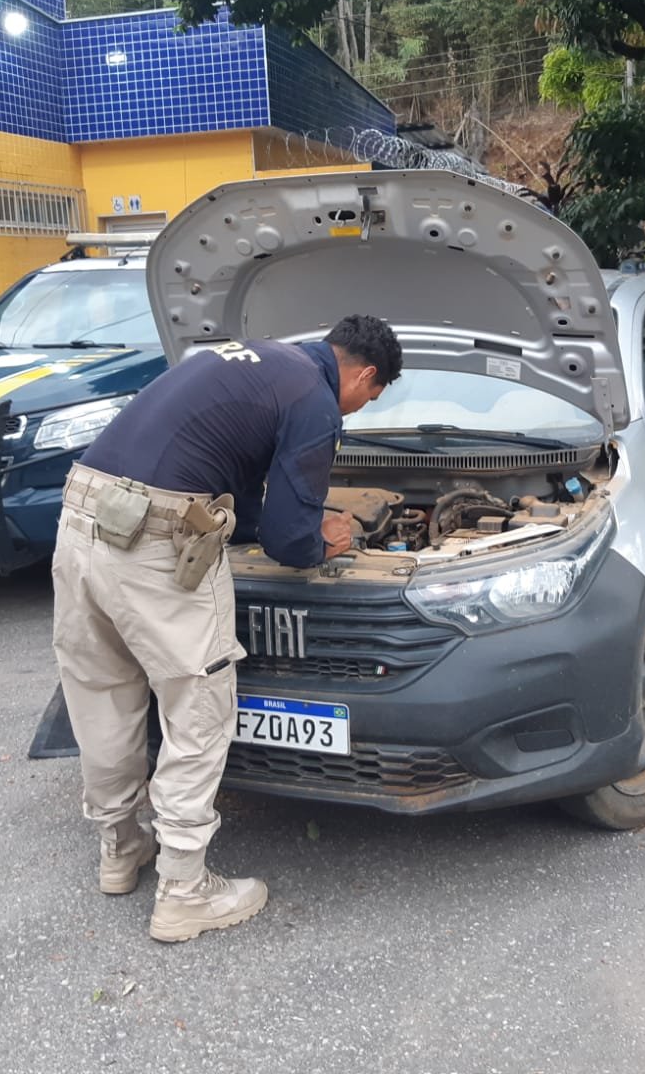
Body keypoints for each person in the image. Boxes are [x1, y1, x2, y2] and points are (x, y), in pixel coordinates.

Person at [51, 315, 403, 943]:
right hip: (157, 539)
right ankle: (185, 892)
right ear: (366, 374)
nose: (359, 410)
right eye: (369, 399)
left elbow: (233, 492)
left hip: (83, 514)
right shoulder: (315, 400)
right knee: (199, 708)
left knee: (104, 694)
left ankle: (121, 848)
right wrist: (327, 539)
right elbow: (290, 542)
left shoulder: (262, 361)